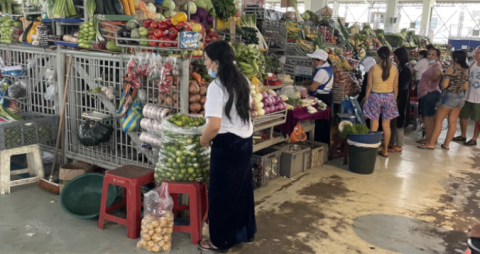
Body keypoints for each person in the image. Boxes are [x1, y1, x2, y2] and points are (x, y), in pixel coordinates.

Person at [199, 40, 256, 252]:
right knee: (240, 191)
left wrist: (203, 141)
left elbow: (214, 126)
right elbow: (248, 111)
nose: (205, 66)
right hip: (244, 141)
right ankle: (240, 233)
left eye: (206, 61)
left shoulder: (216, 87)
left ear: (216, 63)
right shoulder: (243, 80)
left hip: (227, 145)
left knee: (221, 194)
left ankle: (219, 240)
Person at [419, 50, 469, 150]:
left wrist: (444, 83)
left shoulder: (451, 69)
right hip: (460, 97)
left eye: (452, 57)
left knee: (438, 122)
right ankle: (446, 144)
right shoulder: (466, 70)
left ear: (455, 59)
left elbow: (444, 85)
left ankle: (431, 144)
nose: (450, 59)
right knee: (453, 122)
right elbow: (465, 86)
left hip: (449, 97)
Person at [363, 46, 399, 158]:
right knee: (386, 126)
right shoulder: (394, 68)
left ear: (379, 56)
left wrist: (366, 98)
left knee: (374, 124)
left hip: (375, 97)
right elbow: (395, 86)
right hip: (389, 97)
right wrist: (394, 99)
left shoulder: (374, 68)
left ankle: (372, 149)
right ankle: (385, 151)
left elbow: (369, 85)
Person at [304, 49, 334, 145]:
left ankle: (318, 144)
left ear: (321, 61)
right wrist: (307, 83)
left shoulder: (322, 72)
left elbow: (313, 88)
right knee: (324, 124)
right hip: (327, 97)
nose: (313, 63)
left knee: (320, 125)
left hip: (321, 98)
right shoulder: (328, 68)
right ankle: (324, 145)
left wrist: (302, 88)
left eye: (314, 61)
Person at [453, 47, 480, 146]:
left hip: (479, 99)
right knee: (463, 116)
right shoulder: (473, 63)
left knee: (478, 120)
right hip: (468, 96)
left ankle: (474, 138)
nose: (476, 54)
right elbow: (467, 74)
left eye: (478, 53)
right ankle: (463, 135)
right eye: (476, 52)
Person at [416, 47, 443, 145]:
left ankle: (428, 139)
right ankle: (429, 138)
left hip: (429, 93)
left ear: (437, 57)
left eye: (433, 55)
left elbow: (438, 72)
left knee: (428, 117)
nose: (430, 56)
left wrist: (431, 79)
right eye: (429, 54)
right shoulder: (431, 65)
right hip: (427, 93)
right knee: (429, 117)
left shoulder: (436, 65)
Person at [389, 48, 412, 152]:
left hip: (402, 98)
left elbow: (402, 86)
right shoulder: (401, 66)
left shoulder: (406, 69)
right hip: (397, 97)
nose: (394, 58)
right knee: (393, 120)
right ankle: (391, 141)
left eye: (395, 56)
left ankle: (399, 144)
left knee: (399, 121)